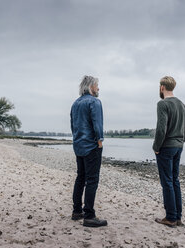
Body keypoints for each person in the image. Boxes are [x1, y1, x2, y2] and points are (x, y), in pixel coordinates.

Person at [70, 75, 107, 227]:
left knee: (80, 178)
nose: (98, 88)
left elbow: (73, 125)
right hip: (91, 146)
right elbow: (97, 123)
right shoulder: (94, 102)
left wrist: (77, 139)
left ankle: (77, 211)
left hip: (78, 145)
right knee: (92, 180)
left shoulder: (75, 103)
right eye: (97, 85)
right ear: (91, 86)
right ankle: (89, 216)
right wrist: (100, 140)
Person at [153, 76, 185, 227]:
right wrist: (180, 142)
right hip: (178, 146)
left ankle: (171, 217)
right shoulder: (181, 104)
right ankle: (178, 216)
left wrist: (156, 147)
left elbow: (161, 129)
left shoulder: (163, 104)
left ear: (162, 87)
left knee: (167, 181)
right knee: (175, 180)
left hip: (166, 147)